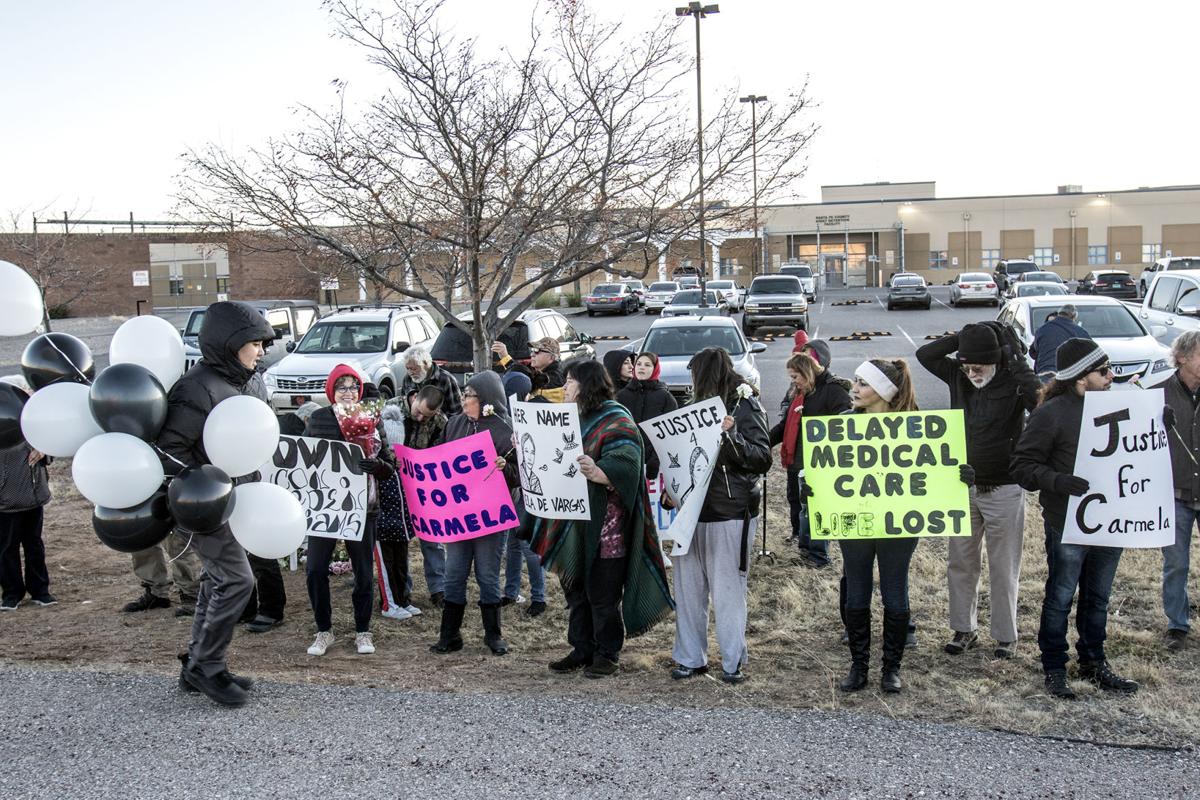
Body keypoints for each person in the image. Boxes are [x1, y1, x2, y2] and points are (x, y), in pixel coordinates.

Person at [827, 359, 971, 694]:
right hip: (857, 521)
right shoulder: (844, 423)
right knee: (857, 593)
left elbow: (935, 471)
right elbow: (829, 470)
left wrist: (959, 476)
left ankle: (891, 668)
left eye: (863, 383)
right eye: (856, 382)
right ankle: (858, 666)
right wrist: (813, 487)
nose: (855, 388)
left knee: (895, 593)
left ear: (884, 391)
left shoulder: (915, 426)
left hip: (898, 524)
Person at [159, 300, 274, 707]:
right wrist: (207, 481)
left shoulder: (249, 380)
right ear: (231, 343)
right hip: (203, 503)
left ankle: (198, 661)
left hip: (238, 499)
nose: (262, 350)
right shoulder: (195, 387)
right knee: (237, 580)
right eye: (255, 343)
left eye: (264, 343)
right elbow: (169, 451)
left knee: (216, 579)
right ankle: (207, 666)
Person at [1011, 338, 1138, 699]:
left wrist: (1159, 422)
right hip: (1068, 521)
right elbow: (1022, 466)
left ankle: (1094, 662)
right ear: (1082, 378)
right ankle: (1054, 666)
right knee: (1061, 596)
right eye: (1103, 371)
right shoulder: (1051, 413)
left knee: (1098, 597)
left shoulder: (1120, 405)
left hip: (1111, 520)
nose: (1112, 376)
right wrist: (1057, 481)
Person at [533, 359, 673, 678]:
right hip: (574, 522)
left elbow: (628, 460)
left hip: (607, 527)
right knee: (575, 589)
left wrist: (601, 472)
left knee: (603, 593)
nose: (565, 386)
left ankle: (607, 653)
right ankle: (581, 647)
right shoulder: (571, 418)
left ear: (586, 385)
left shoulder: (615, 417)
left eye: (570, 381)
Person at [916, 322, 1041, 659]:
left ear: (996, 360)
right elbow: (925, 354)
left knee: (1004, 566)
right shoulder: (958, 374)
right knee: (960, 561)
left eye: (979, 367)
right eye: (966, 365)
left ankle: (1005, 635)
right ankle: (963, 628)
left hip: (1005, 486)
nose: (971, 373)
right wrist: (963, 337)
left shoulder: (1014, 378)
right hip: (963, 484)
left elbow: (1040, 400)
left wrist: (1015, 358)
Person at [670, 347, 772, 685]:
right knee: (688, 590)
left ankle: (732, 661)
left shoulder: (745, 406)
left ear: (706, 374)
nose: (690, 382)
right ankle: (690, 658)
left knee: (728, 591)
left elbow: (761, 458)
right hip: (692, 512)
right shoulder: (691, 409)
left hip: (730, 511)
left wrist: (731, 436)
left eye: (694, 375)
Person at [303, 366, 397, 657]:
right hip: (326, 507)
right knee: (316, 568)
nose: (348, 392)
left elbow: (390, 464)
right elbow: (304, 459)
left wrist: (378, 466)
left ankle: (362, 630)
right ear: (331, 391)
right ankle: (323, 630)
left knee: (364, 573)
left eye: (353, 387)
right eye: (341, 387)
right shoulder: (319, 419)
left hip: (363, 507)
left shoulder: (370, 418)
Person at [430, 371, 520, 656]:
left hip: (491, 517)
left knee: (488, 575)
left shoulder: (505, 431)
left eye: (470, 395)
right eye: (465, 394)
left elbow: (521, 476)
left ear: (486, 400)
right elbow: (440, 462)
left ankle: (493, 635)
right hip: (460, 515)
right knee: (453, 574)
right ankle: (450, 634)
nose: (464, 399)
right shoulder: (454, 425)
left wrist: (505, 471)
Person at [770, 344, 851, 567]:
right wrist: (762, 442)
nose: (793, 381)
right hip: (798, 460)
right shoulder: (801, 393)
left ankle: (819, 555)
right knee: (801, 506)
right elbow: (785, 424)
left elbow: (846, 424)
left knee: (817, 509)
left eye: (795, 376)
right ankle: (805, 548)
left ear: (807, 372)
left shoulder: (833, 391)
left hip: (820, 463)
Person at [0, 378, 54, 611]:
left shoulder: (34, 423)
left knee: (34, 545)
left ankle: (40, 591)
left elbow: (52, 446)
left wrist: (44, 451)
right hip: (5, 501)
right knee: (6, 548)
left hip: (33, 497)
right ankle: (12, 593)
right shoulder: (5, 424)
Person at [1163, 330, 1200, 651]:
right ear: (1183, 358)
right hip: (1175, 495)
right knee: (1176, 563)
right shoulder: (1159, 393)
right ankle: (1177, 624)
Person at [616, 352, 678, 481]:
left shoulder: (665, 398)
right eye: (638, 364)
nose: (642, 368)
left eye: (647, 365)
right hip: (626, 461)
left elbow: (672, 434)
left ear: (655, 369)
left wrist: (655, 460)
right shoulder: (621, 396)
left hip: (657, 465)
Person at [493, 336, 565, 403]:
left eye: (537, 351)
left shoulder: (556, 378)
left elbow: (527, 381)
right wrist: (504, 357)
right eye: (532, 350)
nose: (532, 354)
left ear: (551, 358)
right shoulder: (537, 370)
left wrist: (506, 357)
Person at [399, 345, 462, 416]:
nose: (410, 373)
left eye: (414, 369)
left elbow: (457, 413)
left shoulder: (446, 379)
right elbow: (403, 406)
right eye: (407, 368)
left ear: (425, 364)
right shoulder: (407, 379)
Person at [1030, 304, 1090, 380]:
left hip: (1044, 375)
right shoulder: (1080, 332)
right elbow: (1091, 355)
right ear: (1074, 317)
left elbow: (1033, 353)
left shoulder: (1042, 330)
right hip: (1068, 376)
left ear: (1058, 314)